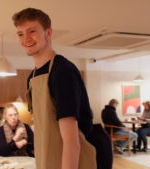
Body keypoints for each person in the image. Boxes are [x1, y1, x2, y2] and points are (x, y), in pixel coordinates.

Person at [12, 8, 112, 169]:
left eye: (32, 31)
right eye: (20, 34)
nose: (26, 39)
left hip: (78, 159)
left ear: (48, 33)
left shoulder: (62, 72)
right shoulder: (32, 77)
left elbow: (72, 142)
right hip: (52, 154)